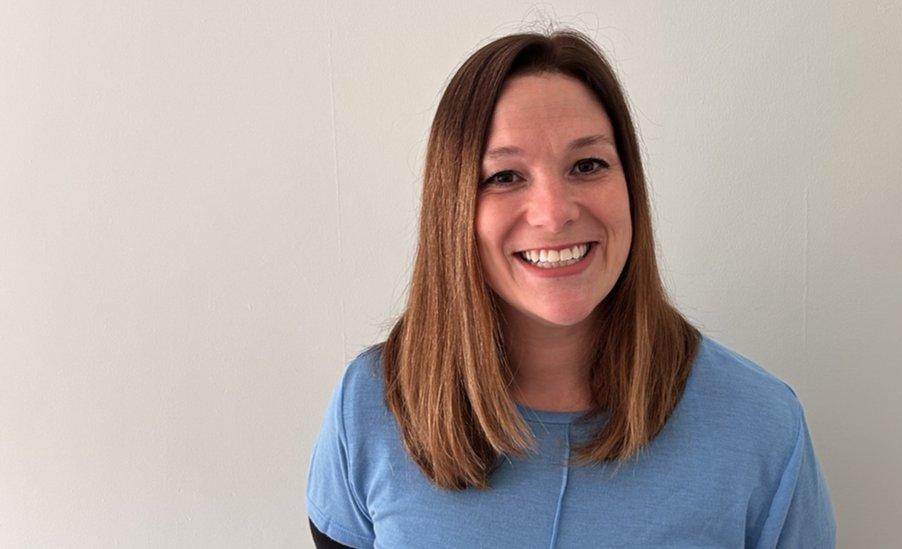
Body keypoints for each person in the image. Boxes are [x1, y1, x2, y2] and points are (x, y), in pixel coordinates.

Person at [306, 29, 836, 548]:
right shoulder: (371, 407)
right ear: (453, 208)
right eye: (505, 176)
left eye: (587, 165)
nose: (555, 213)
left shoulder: (763, 426)